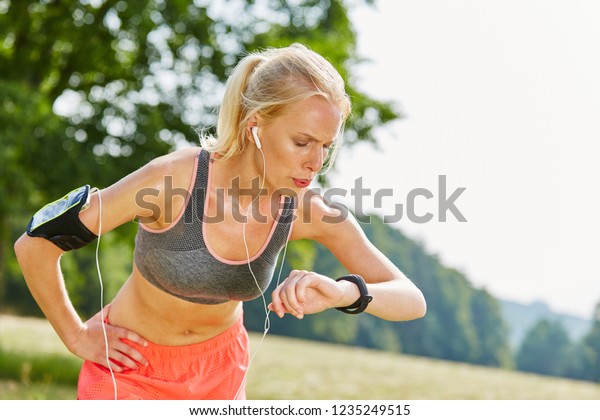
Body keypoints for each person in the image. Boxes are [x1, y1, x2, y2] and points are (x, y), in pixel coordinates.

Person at [13, 43, 426, 400]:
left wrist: (341, 293)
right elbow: (35, 245)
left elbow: (410, 299)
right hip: (130, 367)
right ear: (255, 126)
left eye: (325, 147)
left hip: (221, 376)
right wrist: (75, 335)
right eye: (301, 142)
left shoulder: (305, 208)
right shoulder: (172, 181)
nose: (315, 163)